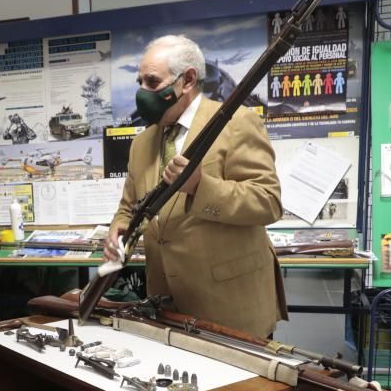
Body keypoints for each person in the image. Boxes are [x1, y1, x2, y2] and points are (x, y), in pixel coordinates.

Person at [104, 35, 287, 338]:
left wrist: (201, 186)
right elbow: (128, 207)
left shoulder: (236, 123)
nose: (142, 93)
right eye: (140, 82)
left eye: (152, 82)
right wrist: (120, 229)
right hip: (166, 309)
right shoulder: (142, 143)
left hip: (229, 308)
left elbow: (268, 201)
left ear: (187, 80)